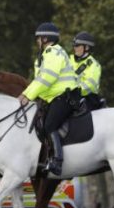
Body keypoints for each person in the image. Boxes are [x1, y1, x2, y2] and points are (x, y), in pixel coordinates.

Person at [17, 22, 80, 176]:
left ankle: (57, 161)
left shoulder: (54, 53)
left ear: (45, 39)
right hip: (53, 97)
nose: (37, 41)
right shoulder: (45, 55)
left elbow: (46, 79)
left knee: (49, 125)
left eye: (38, 38)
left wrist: (27, 95)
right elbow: (40, 80)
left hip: (65, 97)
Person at [70, 31, 104, 111]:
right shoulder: (68, 60)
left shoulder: (94, 65)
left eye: (77, 46)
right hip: (68, 97)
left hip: (88, 99)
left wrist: (74, 92)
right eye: (74, 45)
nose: (74, 48)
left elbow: (90, 85)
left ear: (87, 48)